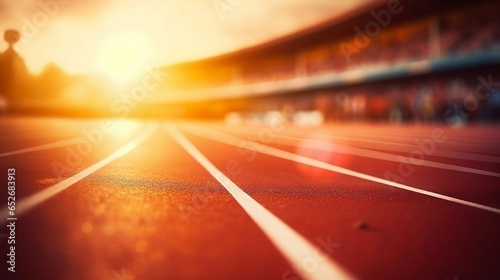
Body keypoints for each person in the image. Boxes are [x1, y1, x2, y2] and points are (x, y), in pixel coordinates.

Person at [0, 29, 29, 101]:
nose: (11, 40)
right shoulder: (2, 56)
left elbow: (24, 75)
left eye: (13, 37)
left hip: (14, 92)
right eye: (9, 36)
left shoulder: (19, 58)